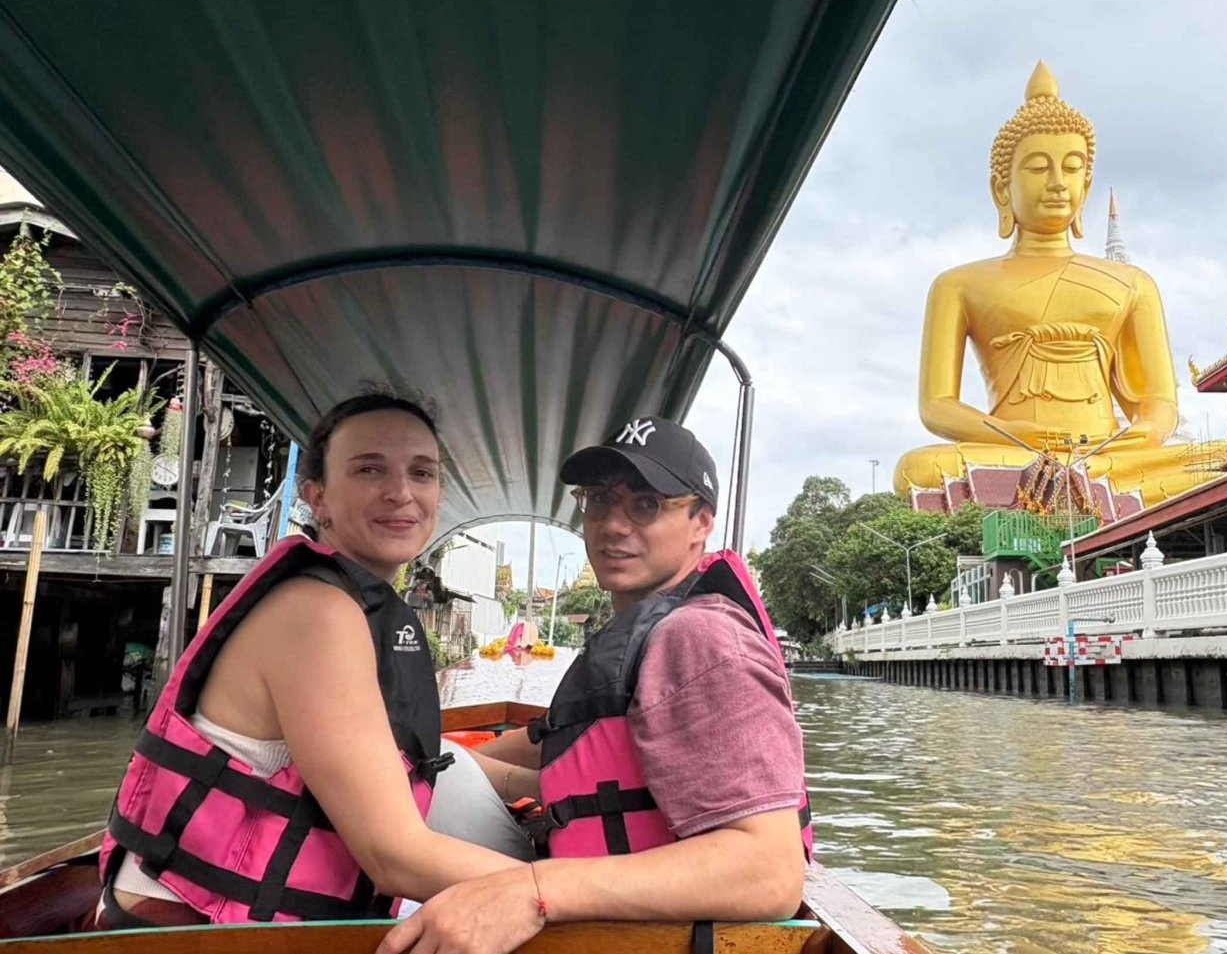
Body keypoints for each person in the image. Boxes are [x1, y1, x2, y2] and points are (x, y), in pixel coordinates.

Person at [95, 394, 534, 929]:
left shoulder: (357, 606)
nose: (402, 493)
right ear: (316, 496)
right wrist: (562, 891)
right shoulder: (317, 612)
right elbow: (393, 856)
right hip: (185, 929)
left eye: (423, 473)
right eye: (370, 469)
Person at [380, 417, 811, 954]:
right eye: (601, 500)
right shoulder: (644, 631)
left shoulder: (702, 638)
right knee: (429, 764)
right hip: (603, 911)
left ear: (701, 521)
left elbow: (768, 871)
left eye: (647, 505)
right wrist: (463, 762)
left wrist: (534, 890)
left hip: (647, 940)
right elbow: (574, 746)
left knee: (418, 781)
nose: (613, 525)